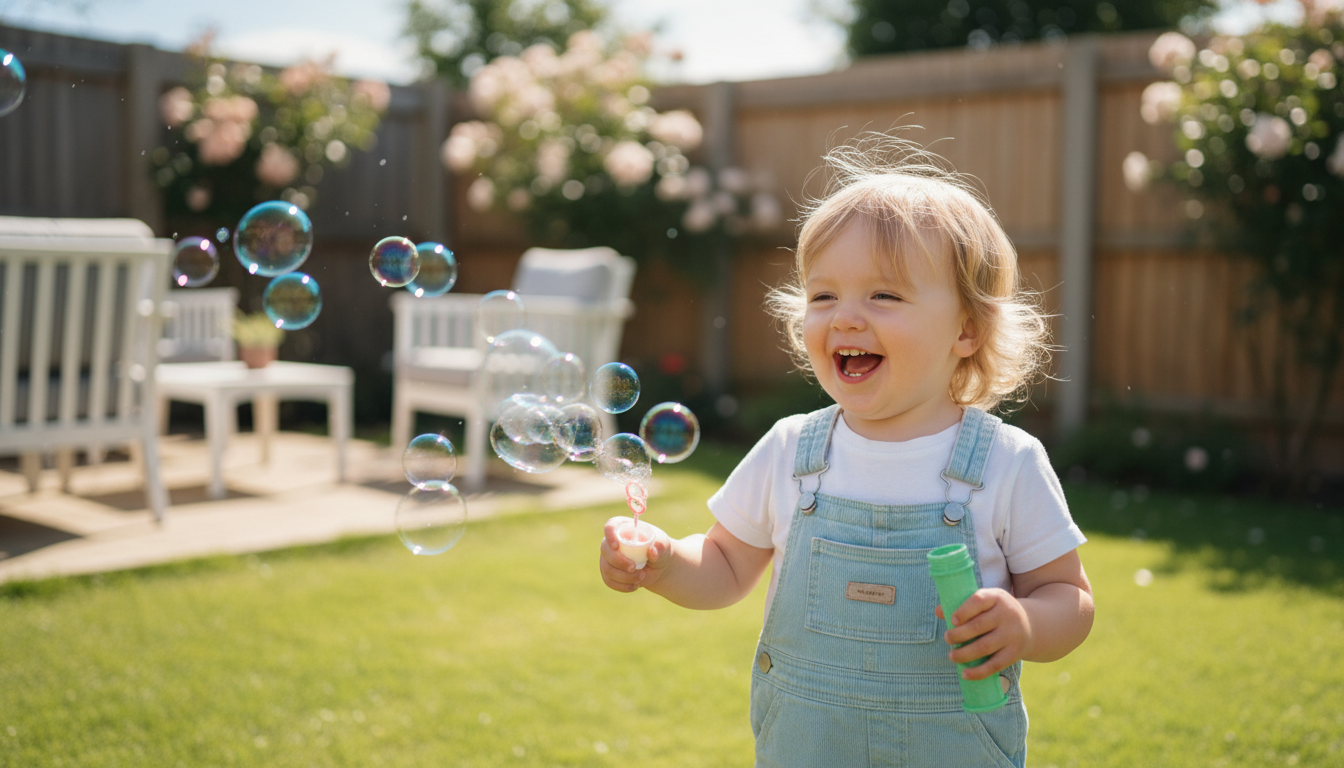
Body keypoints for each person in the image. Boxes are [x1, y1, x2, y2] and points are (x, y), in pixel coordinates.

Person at [598, 133, 1094, 767]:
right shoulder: (791, 450)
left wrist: (1026, 624)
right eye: (823, 295)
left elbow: (1069, 598)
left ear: (967, 328)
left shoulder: (1006, 462)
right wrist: (666, 562)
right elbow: (723, 566)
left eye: (883, 295)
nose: (846, 317)